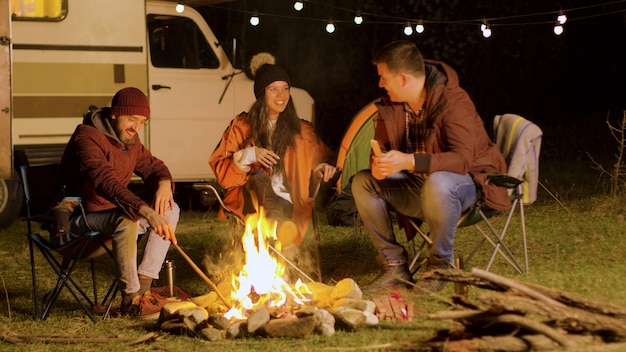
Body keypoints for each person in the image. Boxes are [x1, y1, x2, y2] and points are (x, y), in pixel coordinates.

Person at [352, 40, 509, 293]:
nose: (380, 83)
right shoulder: (393, 105)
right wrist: (380, 164)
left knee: (439, 182)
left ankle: (440, 266)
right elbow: (381, 147)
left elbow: (463, 159)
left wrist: (409, 161)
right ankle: (395, 267)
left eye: (383, 77)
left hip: (468, 185)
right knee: (363, 182)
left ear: (403, 79)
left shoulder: (453, 101)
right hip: (419, 187)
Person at [58, 87, 180, 316]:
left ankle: (144, 291)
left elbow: (153, 166)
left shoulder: (128, 140)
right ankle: (130, 300)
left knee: (170, 209)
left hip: (108, 222)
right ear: (114, 114)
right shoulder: (86, 138)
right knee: (128, 220)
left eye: (142, 122)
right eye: (131, 119)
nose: (136, 127)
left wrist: (163, 182)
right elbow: (107, 182)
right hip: (74, 224)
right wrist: (147, 212)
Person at [209, 53, 337, 254]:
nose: (282, 95)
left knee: (276, 203)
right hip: (248, 200)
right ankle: (278, 229)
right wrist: (250, 155)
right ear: (262, 94)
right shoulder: (241, 127)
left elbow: (318, 159)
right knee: (259, 178)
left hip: (288, 201)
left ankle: (278, 237)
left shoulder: (301, 130)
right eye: (274, 89)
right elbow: (222, 170)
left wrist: (321, 167)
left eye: (285, 89)